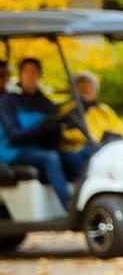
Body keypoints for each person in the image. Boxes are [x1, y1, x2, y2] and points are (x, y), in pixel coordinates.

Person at [0, 57, 83, 209]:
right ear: (21, 75)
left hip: (36, 149)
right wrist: (41, 128)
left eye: (34, 72)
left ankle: (88, 197)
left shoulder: (45, 103)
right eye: (26, 72)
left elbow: (50, 136)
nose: (30, 76)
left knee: (70, 155)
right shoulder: (8, 101)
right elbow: (14, 136)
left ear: (39, 76)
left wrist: (61, 125)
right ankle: (68, 205)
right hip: (12, 152)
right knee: (50, 157)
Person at [59, 71, 123, 154]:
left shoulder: (104, 109)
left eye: (89, 86)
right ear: (73, 89)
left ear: (95, 91)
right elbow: (66, 134)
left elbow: (122, 131)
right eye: (80, 85)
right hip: (79, 150)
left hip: (106, 149)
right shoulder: (67, 108)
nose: (85, 89)